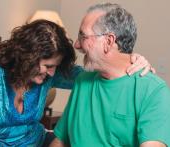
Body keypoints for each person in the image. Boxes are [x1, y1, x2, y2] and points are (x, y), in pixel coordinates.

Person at [0, 19, 152, 147]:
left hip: (37, 142)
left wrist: (128, 62)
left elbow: (95, 75)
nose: (52, 73)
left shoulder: (50, 74)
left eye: (56, 66)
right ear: (26, 56)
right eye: (48, 65)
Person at [51, 3, 170, 147]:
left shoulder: (153, 90)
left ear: (108, 41)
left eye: (83, 36)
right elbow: (60, 140)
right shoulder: (82, 81)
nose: (76, 45)